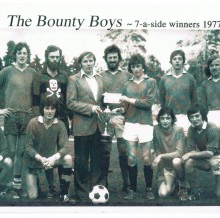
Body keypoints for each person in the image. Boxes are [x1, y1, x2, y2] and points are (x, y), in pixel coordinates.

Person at [0, 42, 36, 198]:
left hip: (27, 118)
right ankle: (3, 185)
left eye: (25, 53)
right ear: (15, 55)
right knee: (11, 151)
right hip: (10, 117)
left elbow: (37, 95)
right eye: (19, 53)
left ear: (28, 55)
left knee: (21, 152)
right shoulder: (7, 71)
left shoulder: (33, 72)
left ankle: (16, 186)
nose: (22, 55)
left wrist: (34, 111)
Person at [66, 51, 106, 202]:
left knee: (97, 160)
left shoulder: (100, 79)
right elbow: (70, 102)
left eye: (90, 61)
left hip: (99, 126)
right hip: (82, 126)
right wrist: (90, 108)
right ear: (80, 64)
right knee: (81, 162)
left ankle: (96, 191)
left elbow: (102, 102)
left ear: (94, 62)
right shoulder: (73, 79)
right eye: (85, 61)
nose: (88, 64)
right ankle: (81, 193)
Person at [32, 45, 71, 198]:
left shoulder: (64, 76)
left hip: (61, 119)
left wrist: (70, 118)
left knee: (62, 153)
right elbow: (35, 99)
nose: (55, 59)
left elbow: (68, 99)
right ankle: (47, 187)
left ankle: (63, 190)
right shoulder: (39, 76)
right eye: (52, 57)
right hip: (44, 119)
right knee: (45, 152)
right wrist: (38, 119)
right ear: (46, 57)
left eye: (57, 57)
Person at [117, 54, 157, 200]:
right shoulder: (127, 84)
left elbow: (147, 103)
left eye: (138, 66)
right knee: (131, 158)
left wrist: (128, 99)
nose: (136, 69)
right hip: (130, 123)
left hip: (145, 124)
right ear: (131, 68)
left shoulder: (151, 82)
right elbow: (125, 106)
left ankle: (149, 189)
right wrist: (120, 110)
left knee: (147, 158)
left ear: (143, 66)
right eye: (133, 66)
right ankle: (132, 190)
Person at [173, 105, 220, 201]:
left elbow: (208, 153)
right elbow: (191, 149)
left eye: (197, 116)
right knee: (189, 162)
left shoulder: (212, 128)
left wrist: (189, 154)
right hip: (207, 157)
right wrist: (208, 158)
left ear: (203, 116)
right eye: (191, 117)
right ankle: (195, 191)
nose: (194, 119)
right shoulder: (191, 129)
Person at [23, 96, 76, 204]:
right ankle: (37, 181)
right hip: (33, 161)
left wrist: (53, 158)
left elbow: (65, 147)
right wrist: (39, 157)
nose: (49, 111)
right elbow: (28, 147)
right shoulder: (33, 123)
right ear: (42, 109)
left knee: (68, 159)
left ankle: (64, 193)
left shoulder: (60, 124)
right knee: (33, 197)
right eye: (47, 108)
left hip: (50, 161)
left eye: (52, 108)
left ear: (56, 110)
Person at [100, 44, 132, 193]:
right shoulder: (100, 76)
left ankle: (126, 183)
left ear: (119, 59)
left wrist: (125, 111)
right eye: (109, 57)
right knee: (104, 152)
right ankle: (103, 182)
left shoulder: (127, 75)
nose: (112, 60)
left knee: (123, 151)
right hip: (105, 118)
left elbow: (131, 97)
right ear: (106, 59)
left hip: (121, 118)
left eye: (115, 57)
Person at [159, 49, 198, 135]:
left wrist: (193, 116)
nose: (177, 61)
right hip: (170, 118)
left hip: (186, 117)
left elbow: (194, 99)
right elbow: (162, 101)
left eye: (180, 59)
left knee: (186, 144)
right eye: (174, 59)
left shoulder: (190, 78)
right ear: (171, 61)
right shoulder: (164, 79)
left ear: (183, 61)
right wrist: (165, 117)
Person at [152, 107, 185, 198]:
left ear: (172, 119)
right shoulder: (156, 129)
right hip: (166, 168)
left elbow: (179, 153)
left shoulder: (178, 130)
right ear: (159, 119)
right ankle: (174, 183)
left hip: (178, 165)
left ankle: (182, 184)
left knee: (176, 161)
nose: (165, 121)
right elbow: (157, 151)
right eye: (162, 118)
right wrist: (161, 173)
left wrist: (161, 156)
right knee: (162, 194)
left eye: (168, 118)